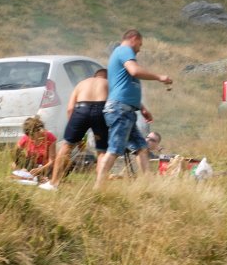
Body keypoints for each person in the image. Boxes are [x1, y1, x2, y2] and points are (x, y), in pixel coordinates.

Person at [94, 29, 172, 189]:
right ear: (134, 39)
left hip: (127, 110)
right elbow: (135, 71)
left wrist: (142, 108)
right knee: (115, 149)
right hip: (119, 110)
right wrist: (159, 77)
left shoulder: (124, 55)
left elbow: (124, 85)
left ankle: (149, 185)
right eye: (140, 44)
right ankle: (98, 187)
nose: (139, 49)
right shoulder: (124, 50)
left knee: (141, 148)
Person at [40, 68, 108, 191]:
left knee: (67, 146)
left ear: (95, 76)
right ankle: (99, 188)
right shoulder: (108, 84)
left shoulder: (82, 83)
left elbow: (70, 109)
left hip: (81, 109)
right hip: (100, 110)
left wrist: (75, 131)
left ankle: (53, 184)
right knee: (102, 151)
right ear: (106, 77)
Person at [13, 116, 57, 180]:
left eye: (32, 135)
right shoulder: (26, 138)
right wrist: (19, 169)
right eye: (29, 135)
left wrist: (40, 169)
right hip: (31, 167)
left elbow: (52, 161)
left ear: (38, 130)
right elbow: (15, 158)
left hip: (45, 168)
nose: (30, 137)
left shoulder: (50, 137)